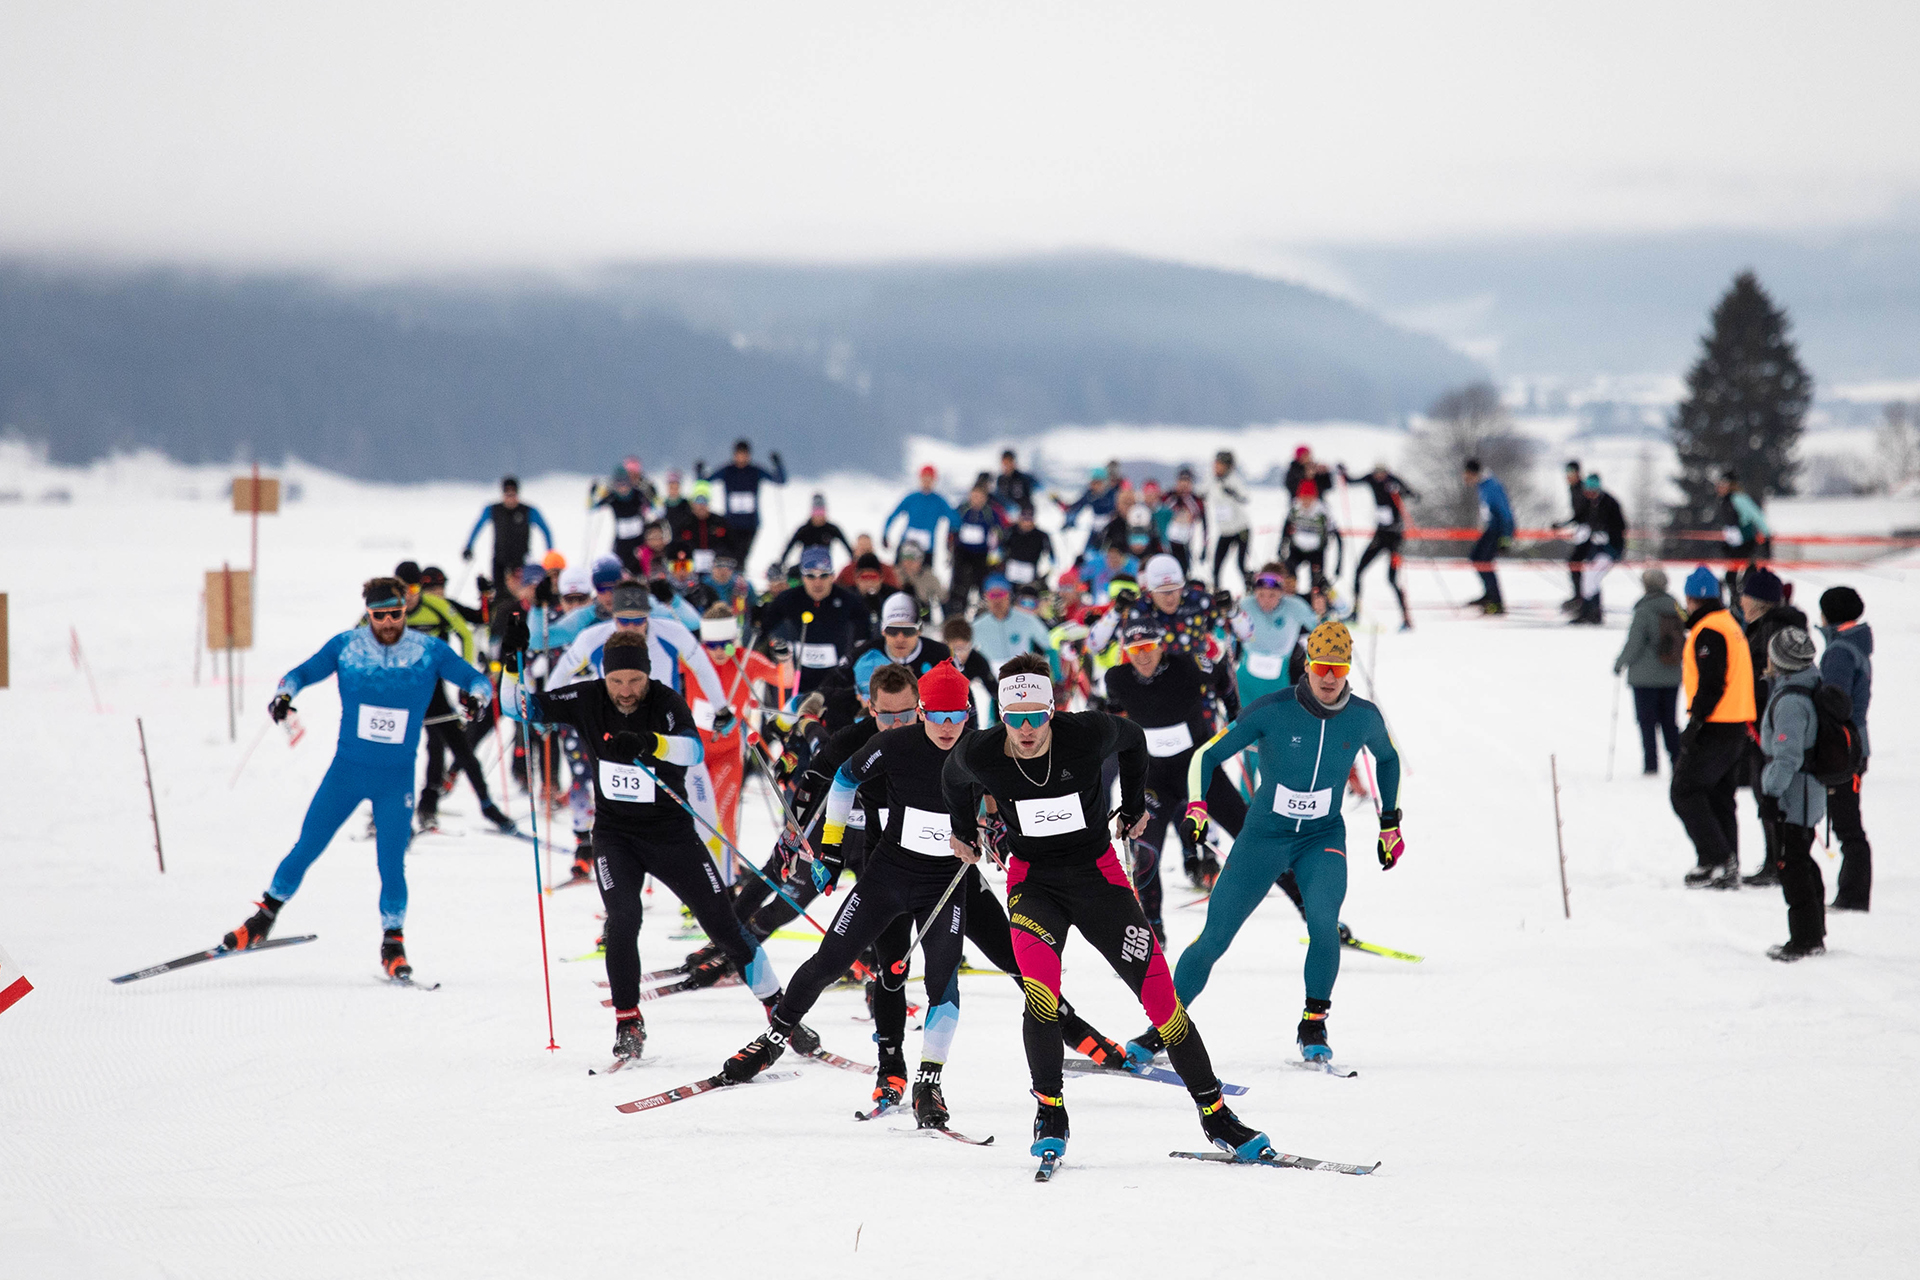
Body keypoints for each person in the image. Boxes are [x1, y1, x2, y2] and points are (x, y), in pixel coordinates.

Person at [937, 656, 1272, 1166]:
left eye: (1035, 717)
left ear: (1053, 710)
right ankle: (1050, 1110)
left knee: (1162, 1002)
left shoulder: (1086, 733)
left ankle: (1216, 1114)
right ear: (1000, 715)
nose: (1025, 730)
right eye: (1014, 718)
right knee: (1041, 994)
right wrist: (965, 831)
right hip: (1034, 885)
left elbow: (1134, 740)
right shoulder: (983, 751)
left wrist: (1134, 804)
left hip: (1099, 878)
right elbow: (951, 776)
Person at [504, 629, 803, 1063]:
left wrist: (649, 742)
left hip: (671, 835)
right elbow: (520, 708)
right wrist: (512, 665)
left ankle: (779, 1009)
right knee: (622, 921)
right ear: (604, 678)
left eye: (635, 681)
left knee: (723, 926)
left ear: (647, 675)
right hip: (614, 836)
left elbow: (692, 750)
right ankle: (628, 1020)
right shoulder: (588, 698)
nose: (626, 692)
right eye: (617, 682)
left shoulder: (664, 701)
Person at [719, 662, 977, 1128]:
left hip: (944, 885)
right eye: (934, 714)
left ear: (968, 713)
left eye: (954, 715)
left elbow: (1007, 796)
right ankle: (774, 1039)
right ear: (921, 712)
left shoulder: (981, 750)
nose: (945, 726)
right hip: (888, 874)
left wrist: (994, 832)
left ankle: (929, 1083)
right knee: (831, 960)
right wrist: (833, 849)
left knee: (943, 982)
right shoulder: (894, 743)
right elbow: (841, 779)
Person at [1146, 620, 1401, 1066]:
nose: (1328, 677)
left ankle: (1313, 1023)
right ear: (1306, 667)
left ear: (1347, 672)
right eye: (1320, 666)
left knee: (1323, 924)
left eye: (1337, 669)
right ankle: (1162, 1028)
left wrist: (1389, 823)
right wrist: (1198, 806)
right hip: (1264, 837)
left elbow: (1388, 757)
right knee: (1215, 937)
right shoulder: (1271, 710)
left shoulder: (1363, 716)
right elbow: (1207, 755)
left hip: (1322, 838)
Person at [221, 577, 493, 980]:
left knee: (391, 863)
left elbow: (477, 680)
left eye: (395, 614)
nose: (387, 622)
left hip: (395, 780)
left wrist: (476, 698)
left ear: (405, 609)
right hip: (346, 773)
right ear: (368, 613)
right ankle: (261, 920)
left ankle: (393, 944)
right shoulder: (347, 647)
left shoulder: (427, 651)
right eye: (378, 615)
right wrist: (284, 696)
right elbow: (299, 673)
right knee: (307, 845)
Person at [1101, 619, 1248, 939]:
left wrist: (1237, 716)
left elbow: (1222, 673)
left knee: (1250, 832)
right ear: (1126, 651)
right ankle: (1153, 930)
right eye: (1134, 650)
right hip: (1153, 778)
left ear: (1160, 646)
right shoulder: (1117, 677)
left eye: (1149, 648)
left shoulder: (1187, 665)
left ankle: (1309, 905)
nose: (1142, 656)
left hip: (1196, 769)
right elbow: (1114, 713)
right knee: (1146, 849)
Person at [393, 561, 514, 834]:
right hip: (398, 692)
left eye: (414, 588)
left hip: (431, 688)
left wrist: (464, 680)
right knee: (394, 750)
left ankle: (481, 805)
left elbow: (470, 630)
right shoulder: (387, 610)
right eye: (401, 589)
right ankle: (388, 810)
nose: (408, 595)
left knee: (453, 746)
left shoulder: (437, 606)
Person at [1671, 566, 1755, 889]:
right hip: (1735, 724)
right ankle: (1725, 862)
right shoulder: (1728, 624)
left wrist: (1696, 722)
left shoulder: (1709, 630)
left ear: (1691, 599)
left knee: (1685, 791)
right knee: (1720, 795)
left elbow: (1712, 682)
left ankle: (1717, 859)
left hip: (1717, 725)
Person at [1751, 627, 1826, 961]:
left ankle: (1805, 938)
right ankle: (1813, 931)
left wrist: (1770, 795)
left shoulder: (1793, 701)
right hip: (1805, 793)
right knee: (1801, 861)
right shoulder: (1805, 684)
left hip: (1795, 797)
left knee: (1792, 864)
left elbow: (1788, 756)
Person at [1732, 566, 1808, 886]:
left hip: (1769, 723)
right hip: (1768, 722)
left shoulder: (1769, 630)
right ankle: (1777, 860)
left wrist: (1752, 708)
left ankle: (1778, 863)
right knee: (1769, 793)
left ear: (1758, 600)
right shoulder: (1773, 626)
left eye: (1745, 595)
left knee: (1770, 794)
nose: (1741, 600)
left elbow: (1766, 682)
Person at [1817, 587, 1873, 912]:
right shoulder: (1853, 644)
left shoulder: (1839, 651)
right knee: (1847, 820)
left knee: (1847, 823)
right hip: (1855, 742)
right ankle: (1852, 893)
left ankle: (1853, 895)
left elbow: (1834, 702)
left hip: (1844, 745)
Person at [757, 545, 874, 700]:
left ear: (832, 576)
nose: (817, 583)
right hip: (797, 679)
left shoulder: (849, 601)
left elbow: (865, 637)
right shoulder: (787, 599)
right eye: (811, 576)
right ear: (802, 577)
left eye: (824, 575)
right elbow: (763, 633)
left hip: (835, 679)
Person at [1613, 567, 1686, 775]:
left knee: (1647, 722)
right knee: (1669, 722)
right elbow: (1687, 626)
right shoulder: (1676, 607)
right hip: (1672, 674)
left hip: (1644, 678)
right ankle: (1677, 761)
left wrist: (1620, 663)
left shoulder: (1643, 610)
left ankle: (1651, 765)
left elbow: (1634, 643)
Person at [1344, 461, 1417, 630]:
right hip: (1379, 536)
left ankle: (1406, 619)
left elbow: (1413, 494)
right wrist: (1343, 472)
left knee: (1392, 579)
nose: (1379, 476)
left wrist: (1399, 490)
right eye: (1377, 473)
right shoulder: (1371, 479)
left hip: (1395, 538)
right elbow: (1351, 481)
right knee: (1358, 570)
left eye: (1382, 474)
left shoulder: (1392, 480)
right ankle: (1355, 612)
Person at [462, 478, 554, 610]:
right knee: (499, 594)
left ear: (517, 494)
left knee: (521, 595)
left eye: (513, 494)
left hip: (521, 561)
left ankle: (520, 622)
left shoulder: (528, 511)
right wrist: (469, 547)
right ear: (503, 494)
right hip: (499, 560)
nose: (510, 498)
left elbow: (545, 530)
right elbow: (477, 527)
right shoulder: (493, 510)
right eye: (507, 494)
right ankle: (496, 620)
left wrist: (550, 552)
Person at [702, 439, 786, 567]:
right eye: (739, 454)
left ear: (749, 455)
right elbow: (705, 481)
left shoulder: (755, 471)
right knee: (730, 556)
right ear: (734, 455)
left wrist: (778, 464)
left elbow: (779, 480)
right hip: (731, 524)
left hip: (750, 524)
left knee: (741, 558)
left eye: (744, 454)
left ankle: (739, 580)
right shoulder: (727, 471)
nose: (742, 458)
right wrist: (699, 471)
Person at [1569, 473, 1627, 625]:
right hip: (1595, 549)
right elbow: (1580, 518)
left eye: (1592, 490)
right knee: (1589, 578)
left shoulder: (1610, 503)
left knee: (1591, 578)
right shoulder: (1589, 503)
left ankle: (1592, 612)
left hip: (1610, 549)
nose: (1589, 494)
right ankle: (1589, 612)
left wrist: (1607, 535)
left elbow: (1620, 526)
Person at [970, 576, 1057, 677]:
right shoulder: (978, 626)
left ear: (1009, 595)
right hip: (991, 680)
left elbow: (1050, 645)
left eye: (1001, 594)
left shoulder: (1026, 619)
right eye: (993, 595)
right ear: (986, 597)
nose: (997, 600)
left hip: (1022, 675)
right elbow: (961, 651)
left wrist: (1056, 676)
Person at [1462, 459, 1514, 615]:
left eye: (1466, 475)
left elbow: (1505, 513)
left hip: (1498, 530)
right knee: (1476, 558)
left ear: (1473, 473)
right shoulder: (1482, 486)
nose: (1465, 479)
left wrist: (1506, 538)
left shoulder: (1491, 486)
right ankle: (1489, 595)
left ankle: (1496, 603)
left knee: (1483, 561)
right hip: (1491, 528)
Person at [858, 592, 953, 676]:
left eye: (908, 631)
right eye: (892, 631)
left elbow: (964, 693)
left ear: (919, 631)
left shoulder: (941, 655)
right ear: (883, 630)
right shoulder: (864, 655)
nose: (900, 638)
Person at [882, 467, 958, 564]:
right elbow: (893, 515)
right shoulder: (912, 498)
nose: (926, 482)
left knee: (925, 576)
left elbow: (954, 519)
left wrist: (951, 537)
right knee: (899, 574)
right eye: (924, 478)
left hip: (927, 548)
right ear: (920, 479)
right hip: (906, 544)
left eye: (929, 479)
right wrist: (885, 534)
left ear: (934, 480)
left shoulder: (939, 501)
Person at [948, 486, 1004, 618]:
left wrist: (997, 548)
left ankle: (982, 615)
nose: (976, 500)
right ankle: (956, 614)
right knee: (959, 584)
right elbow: (951, 527)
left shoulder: (990, 512)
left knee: (981, 583)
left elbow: (1000, 530)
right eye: (974, 496)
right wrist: (950, 545)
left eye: (980, 497)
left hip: (981, 554)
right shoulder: (962, 509)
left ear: (985, 498)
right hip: (962, 552)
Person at [1716, 471, 1772, 599]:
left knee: (1740, 576)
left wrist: (1766, 535)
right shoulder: (1725, 500)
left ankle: (1742, 600)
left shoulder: (1738, 498)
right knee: (1731, 577)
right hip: (1733, 544)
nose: (1719, 487)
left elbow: (1756, 516)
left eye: (1723, 484)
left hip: (1745, 543)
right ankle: (1736, 600)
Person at [1280, 479, 1342, 589]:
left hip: (1316, 552)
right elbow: (1286, 528)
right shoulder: (1295, 509)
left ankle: (1317, 602)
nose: (1305, 502)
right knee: (1288, 574)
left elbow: (1337, 536)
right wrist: (1281, 547)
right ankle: (1291, 599)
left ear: (1314, 498)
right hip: (1297, 549)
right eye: (1303, 498)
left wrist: (1339, 563)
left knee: (1317, 583)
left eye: (1308, 499)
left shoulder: (1323, 512)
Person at [593, 465, 654, 575]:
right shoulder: (612, 497)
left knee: (642, 567)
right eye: (619, 484)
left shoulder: (637, 494)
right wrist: (594, 492)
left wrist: (652, 492)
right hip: (621, 541)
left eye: (625, 483)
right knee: (618, 567)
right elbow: (593, 507)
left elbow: (654, 506)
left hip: (639, 539)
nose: (623, 488)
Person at [1207, 450, 1253, 593]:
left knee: (1241, 564)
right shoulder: (1211, 479)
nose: (1216, 467)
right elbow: (1202, 492)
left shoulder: (1234, 479)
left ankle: (1250, 590)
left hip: (1241, 529)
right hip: (1225, 530)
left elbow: (1246, 498)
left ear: (1228, 466)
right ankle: (1216, 592)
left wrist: (1234, 493)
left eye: (1219, 464)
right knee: (1216, 565)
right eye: (1215, 464)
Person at [779, 493, 856, 571]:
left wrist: (854, 560)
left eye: (821, 513)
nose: (819, 517)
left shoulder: (832, 529)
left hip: (825, 567)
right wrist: (782, 562)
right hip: (806, 567)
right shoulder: (804, 530)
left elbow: (847, 546)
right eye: (816, 513)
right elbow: (790, 546)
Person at [1552, 459, 1591, 612]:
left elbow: (1583, 514)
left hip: (1589, 531)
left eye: (1571, 473)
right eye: (1566, 473)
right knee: (1575, 563)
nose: (1568, 476)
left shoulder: (1582, 488)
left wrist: (1564, 524)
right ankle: (1579, 596)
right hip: (1582, 530)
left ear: (1577, 473)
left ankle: (1581, 598)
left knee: (1576, 562)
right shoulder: (1574, 488)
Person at [1058, 467, 1119, 562]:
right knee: (1088, 556)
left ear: (1104, 483)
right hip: (1095, 531)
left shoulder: (1112, 494)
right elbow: (1075, 506)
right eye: (1092, 483)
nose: (1093, 486)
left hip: (1111, 531)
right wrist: (1061, 504)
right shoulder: (1089, 494)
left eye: (1097, 483)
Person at [672, 482, 732, 576]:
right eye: (698, 501)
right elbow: (675, 548)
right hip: (690, 570)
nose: (701, 505)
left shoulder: (720, 522)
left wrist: (720, 558)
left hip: (716, 570)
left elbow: (731, 546)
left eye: (704, 501)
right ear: (692, 503)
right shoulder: (683, 523)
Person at [998, 504, 1055, 589]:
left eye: (1029, 519)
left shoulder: (1041, 536)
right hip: (1009, 573)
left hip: (1031, 576)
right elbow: (1000, 549)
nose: (1026, 523)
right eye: (1024, 519)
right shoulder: (1010, 532)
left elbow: (1051, 557)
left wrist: (1044, 572)